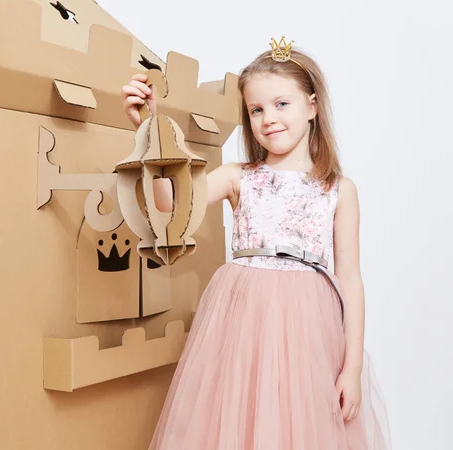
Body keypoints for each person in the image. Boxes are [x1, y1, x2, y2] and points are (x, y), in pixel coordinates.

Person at [121, 37, 391, 450]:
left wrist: (351, 368)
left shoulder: (339, 190)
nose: (269, 118)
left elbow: (350, 280)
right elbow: (171, 205)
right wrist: (149, 131)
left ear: (313, 106)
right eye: (257, 109)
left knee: (298, 426)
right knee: (238, 421)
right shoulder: (237, 176)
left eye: (282, 104)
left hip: (308, 328)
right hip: (241, 320)